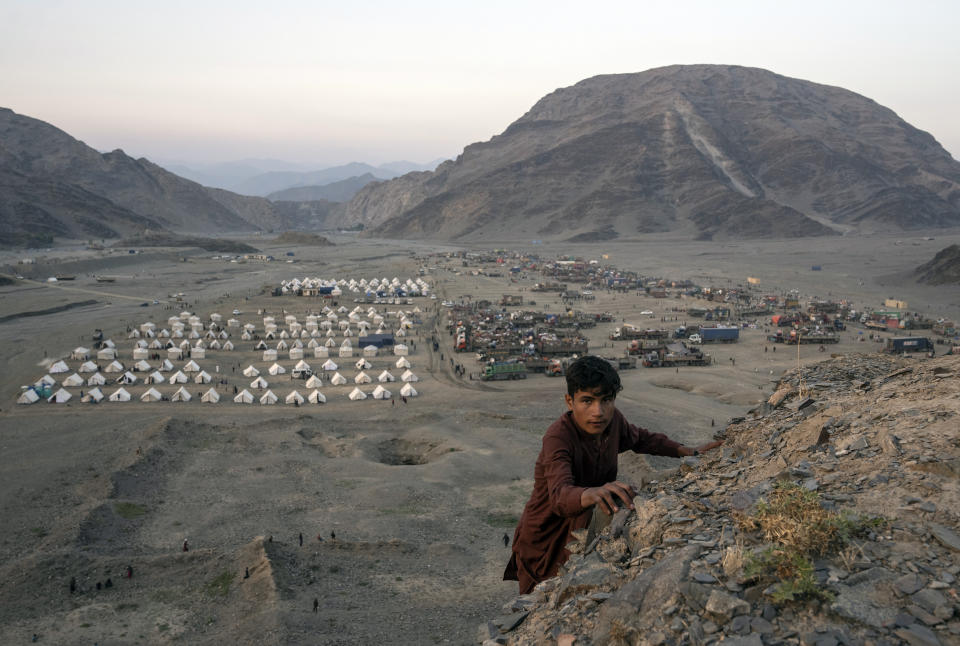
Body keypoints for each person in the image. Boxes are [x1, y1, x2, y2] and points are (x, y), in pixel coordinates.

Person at [503, 355, 721, 594]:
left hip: (583, 526)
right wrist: (592, 492)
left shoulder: (613, 422)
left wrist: (685, 451)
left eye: (606, 400)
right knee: (539, 599)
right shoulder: (558, 438)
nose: (598, 412)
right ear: (569, 401)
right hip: (545, 536)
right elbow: (559, 496)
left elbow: (643, 439)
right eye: (587, 401)